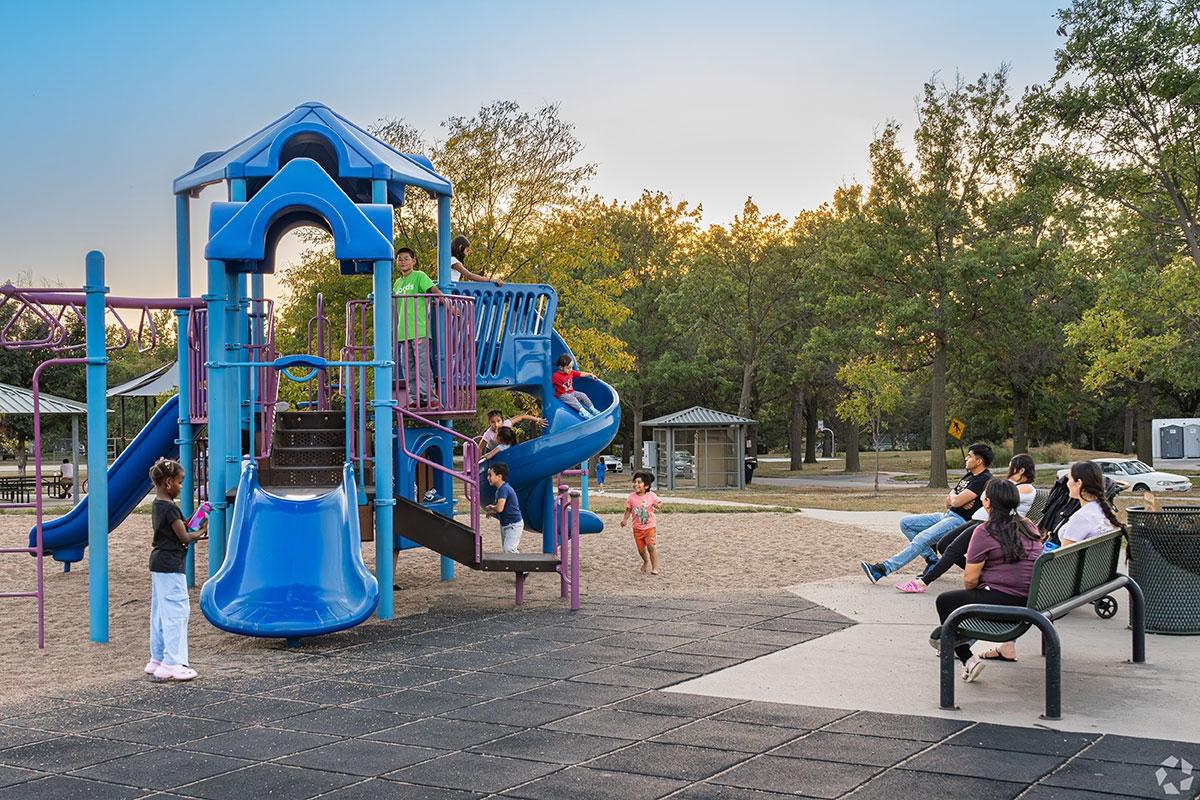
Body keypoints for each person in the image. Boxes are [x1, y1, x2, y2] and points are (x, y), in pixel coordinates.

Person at [932, 477, 1043, 683]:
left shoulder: (984, 531)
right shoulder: (1029, 526)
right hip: (1032, 602)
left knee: (945, 601)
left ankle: (965, 657)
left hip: (1005, 605)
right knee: (962, 602)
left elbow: (970, 580)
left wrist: (985, 585)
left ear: (987, 502)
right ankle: (955, 640)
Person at [895, 454, 1038, 595]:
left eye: (1011, 467)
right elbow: (986, 496)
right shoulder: (1012, 486)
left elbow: (990, 497)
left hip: (991, 524)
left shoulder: (1026, 488)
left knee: (952, 549)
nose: (1008, 471)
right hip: (978, 521)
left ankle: (923, 582)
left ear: (1021, 470)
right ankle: (980, 575)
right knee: (943, 545)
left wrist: (994, 490)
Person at [861, 443, 994, 583]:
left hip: (959, 521)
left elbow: (955, 501)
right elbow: (949, 500)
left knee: (922, 538)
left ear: (979, 461)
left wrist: (955, 499)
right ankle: (932, 560)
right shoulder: (969, 475)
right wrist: (955, 499)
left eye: (970, 456)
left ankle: (882, 570)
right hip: (947, 515)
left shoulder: (983, 479)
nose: (966, 458)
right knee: (906, 523)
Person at [145, 458, 206, 682]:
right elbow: (184, 537)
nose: (181, 487)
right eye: (179, 482)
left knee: (160, 613)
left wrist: (191, 522)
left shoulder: (158, 504)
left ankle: (158, 659)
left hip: (159, 562)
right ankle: (173, 663)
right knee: (177, 611)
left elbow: (177, 528)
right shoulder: (170, 508)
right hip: (171, 564)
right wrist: (201, 531)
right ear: (168, 482)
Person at [393, 247, 448, 407]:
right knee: (407, 367)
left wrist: (448, 305)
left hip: (419, 329)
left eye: (406, 258)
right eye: (400, 259)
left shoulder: (419, 276)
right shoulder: (397, 283)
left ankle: (429, 396)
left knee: (422, 365)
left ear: (413, 261)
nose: (403, 261)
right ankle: (414, 398)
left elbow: (434, 290)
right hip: (403, 332)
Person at [1059, 460, 1127, 547]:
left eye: (1069, 479)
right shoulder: (1101, 510)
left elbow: (1065, 553)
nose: (1067, 483)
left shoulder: (1081, 517)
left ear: (1079, 483)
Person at [621, 470, 663, 575]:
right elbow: (628, 510)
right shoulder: (631, 497)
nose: (636, 484)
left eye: (639, 482)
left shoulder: (651, 495)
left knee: (651, 546)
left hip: (650, 527)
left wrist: (658, 505)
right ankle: (645, 561)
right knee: (641, 550)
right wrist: (625, 520)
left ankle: (655, 568)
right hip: (637, 528)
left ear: (646, 486)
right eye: (635, 482)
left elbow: (660, 502)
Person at [484, 462, 523, 553]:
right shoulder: (500, 490)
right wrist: (492, 512)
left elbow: (499, 508)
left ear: (499, 476)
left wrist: (491, 507)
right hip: (506, 524)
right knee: (507, 550)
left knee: (509, 549)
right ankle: (516, 562)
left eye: (490, 475)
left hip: (513, 525)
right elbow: (502, 509)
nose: (488, 478)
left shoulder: (504, 489)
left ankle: (521, 562)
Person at [552, 354, 600, 419]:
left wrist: (590, 374)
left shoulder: (571, 372)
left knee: (583, 395)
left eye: (571, 367)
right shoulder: (555, 376)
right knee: (573, 399)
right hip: (562, 395)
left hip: (572, 392)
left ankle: (592, 409)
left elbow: (581, 374)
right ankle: (583, 412)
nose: (571, 369)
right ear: (561, 367)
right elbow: (548, 383)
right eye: (568, 368)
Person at [478, 409, 547, 448]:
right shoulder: (488, 434)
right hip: (492, 450)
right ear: (489, 423)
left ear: (502, 420)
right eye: (492, 422)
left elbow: (522, 417)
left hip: (504, 447)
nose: (496, 424)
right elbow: (480, 448)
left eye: (498, 421)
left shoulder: (506, 424)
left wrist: (538, 420)